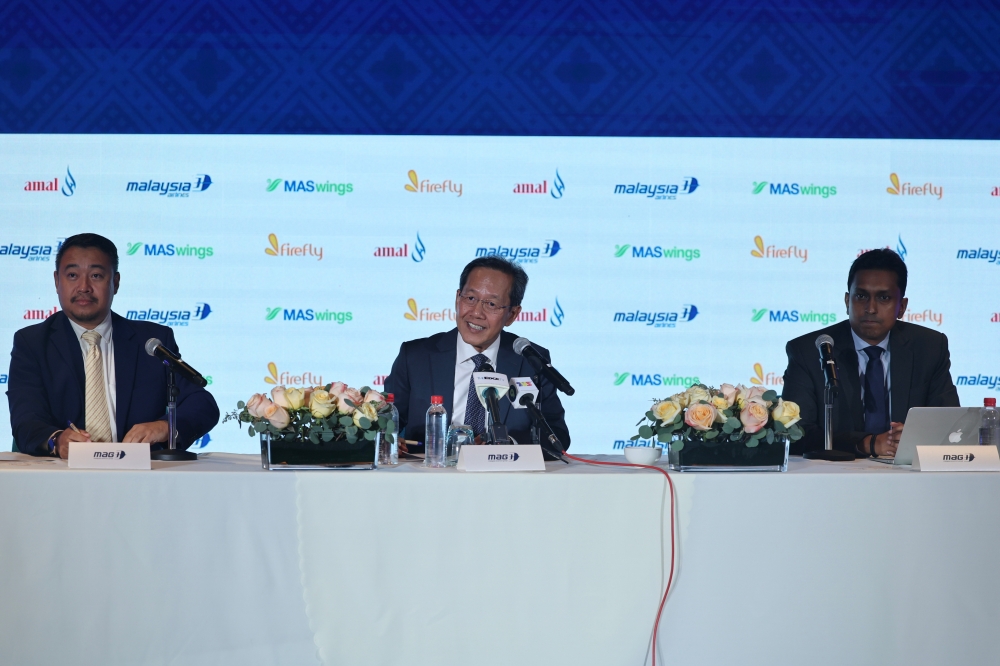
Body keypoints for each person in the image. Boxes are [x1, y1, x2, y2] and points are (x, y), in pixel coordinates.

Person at [7, 233, 219, 457]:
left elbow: (202, 403)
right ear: (57, 281)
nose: (84, 287)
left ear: (115, 282)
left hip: (140, 478)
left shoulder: (151, 341)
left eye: (96, 275)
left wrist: (166, 427)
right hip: (63, 477)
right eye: (72, 275)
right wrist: (58, 440)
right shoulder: (32, 343)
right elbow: (26, 420)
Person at [781, 249, 959, 458]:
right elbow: (794, 435)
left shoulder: (929, 348)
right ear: (847, 301)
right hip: (835, 478)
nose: (870, 308)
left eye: (884, 297)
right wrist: (866, 444)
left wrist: (915, 436)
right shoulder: (809, 351)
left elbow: (950, 426)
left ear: (901, 307)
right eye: (861, 296)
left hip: (908, 480)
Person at [385, 256, 570, 452]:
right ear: (458, 299)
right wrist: (388, 440)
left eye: (491, 304)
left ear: (513, 314)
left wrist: (506, 445)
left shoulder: (530, 361)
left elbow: (556, 437)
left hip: (503, 478)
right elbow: (385, 424)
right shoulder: (415, 357)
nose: (476, 313)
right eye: (470, 298)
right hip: (430, 476)